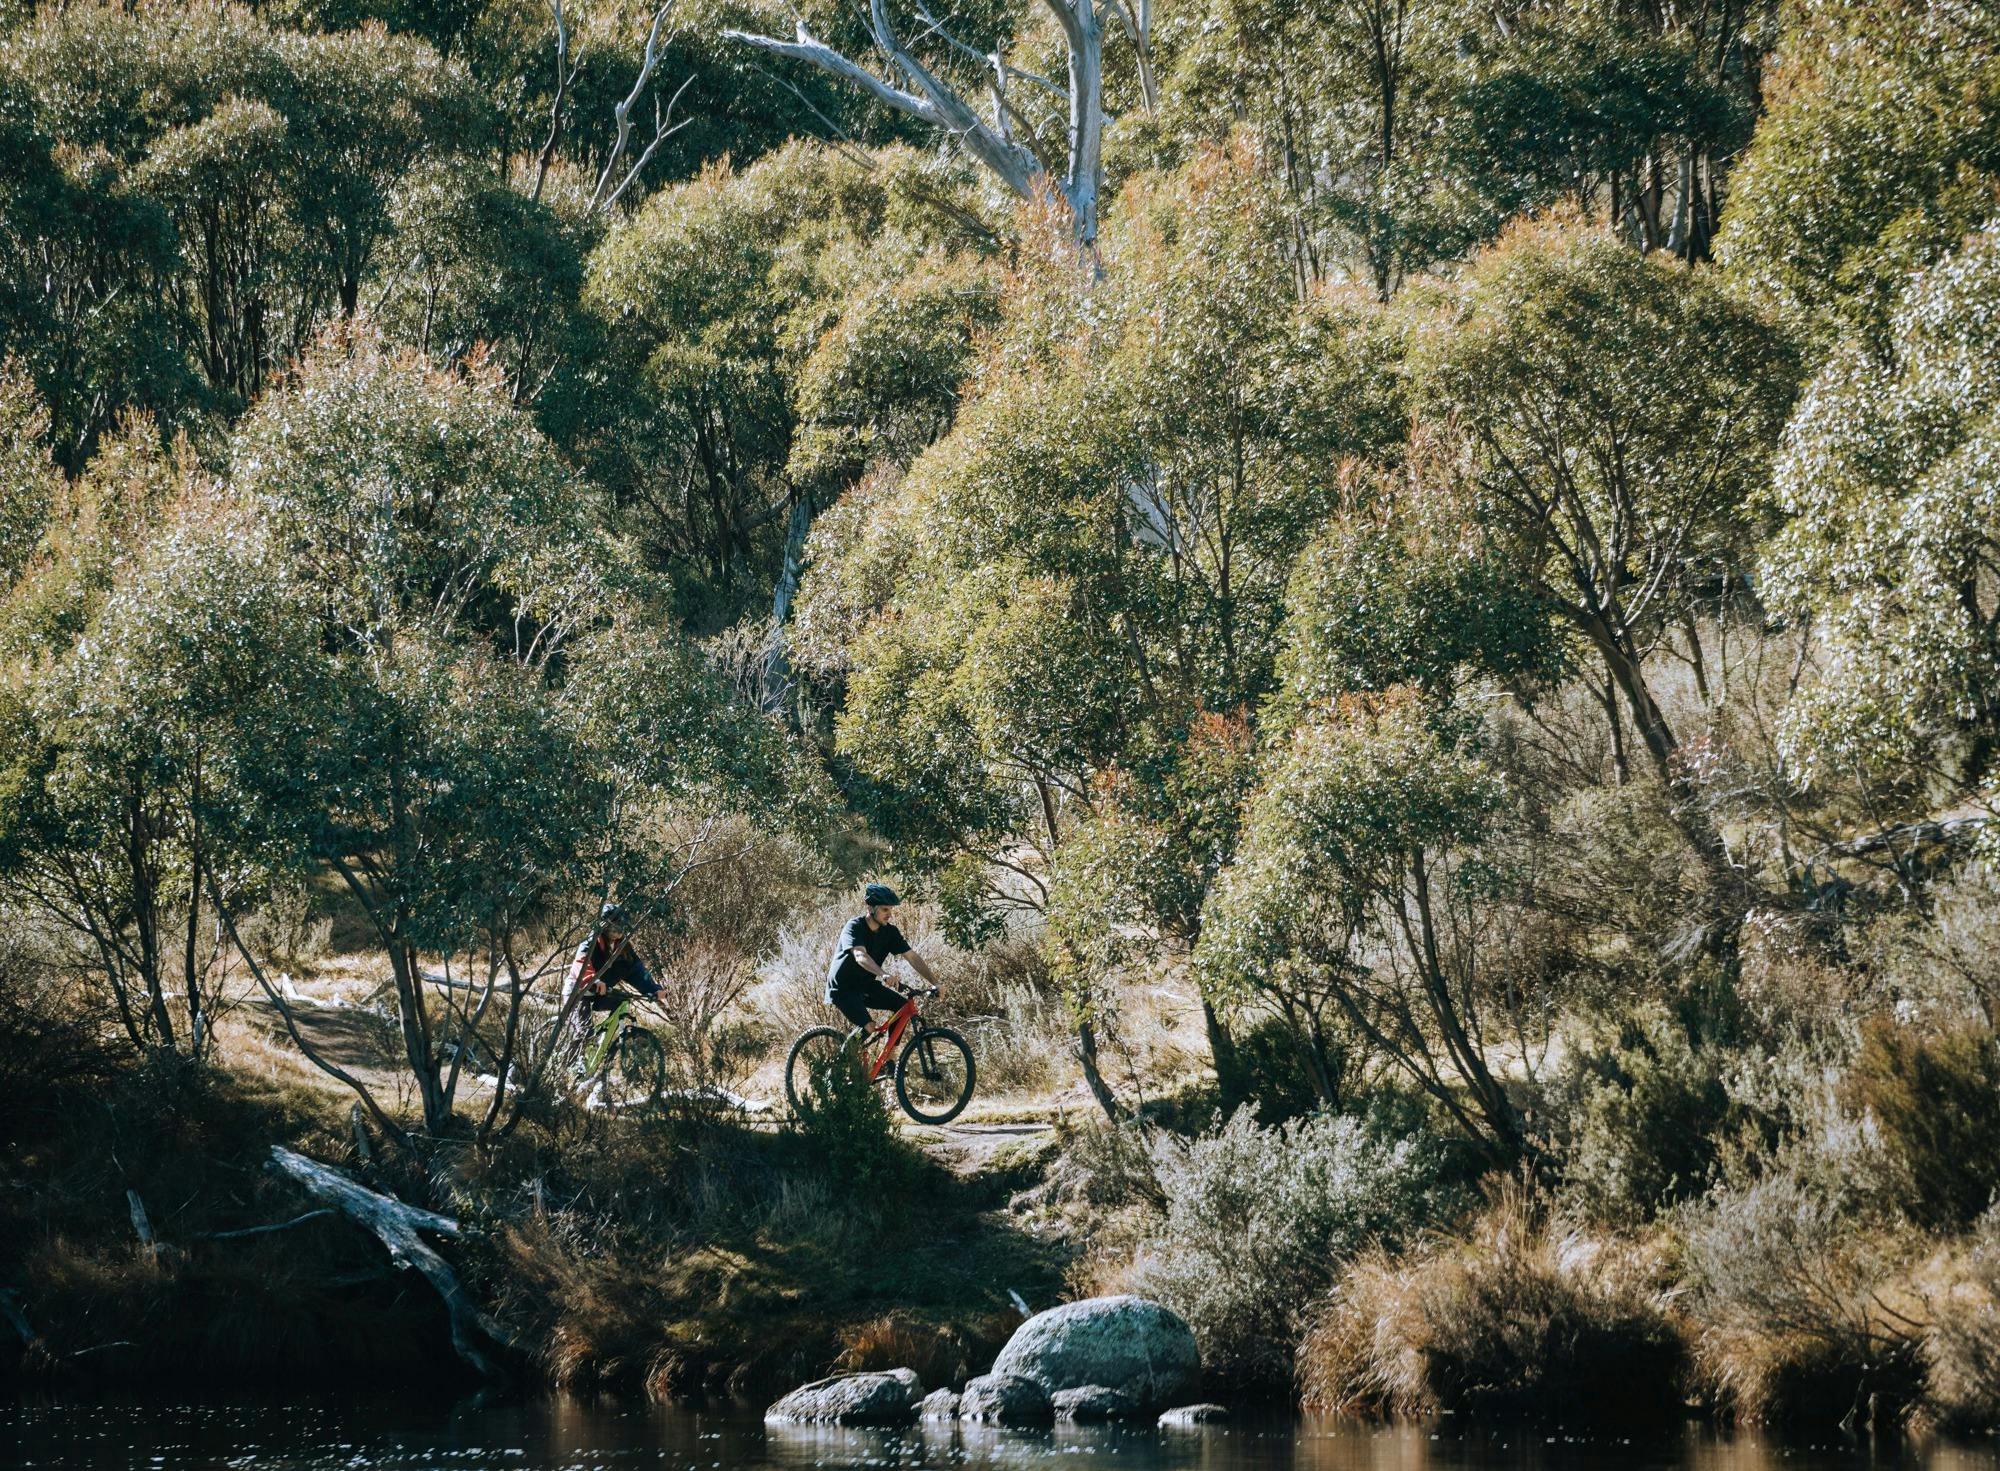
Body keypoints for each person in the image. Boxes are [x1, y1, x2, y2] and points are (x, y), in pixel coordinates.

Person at [826, 883, 940, 1034]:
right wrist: (883, 974)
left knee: (903, 1007)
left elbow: (911, 956)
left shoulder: (889, 932)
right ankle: (848, 1057)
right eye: (885, 909)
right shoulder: (854, 926)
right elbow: (860, 955)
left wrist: (935, 983)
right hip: (843, 988)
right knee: (869, 1026)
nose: (890, 914)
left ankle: (890, 1057)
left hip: (866, 985)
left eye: (891, 909)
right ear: (871, 908)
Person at [567, 901, 659, 1046]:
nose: (619, 930)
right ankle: (573, 1065)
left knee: (623, 1001)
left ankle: (603, 1044)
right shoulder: (591, 942)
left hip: (600, 993)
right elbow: (581, 965)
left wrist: (654, 989)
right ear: (604, 925)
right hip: (578, 992)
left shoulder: (622, 947)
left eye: (621, 926)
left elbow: (636, 970)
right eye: (614, 925)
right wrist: (593, 981)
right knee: (584, 1033)